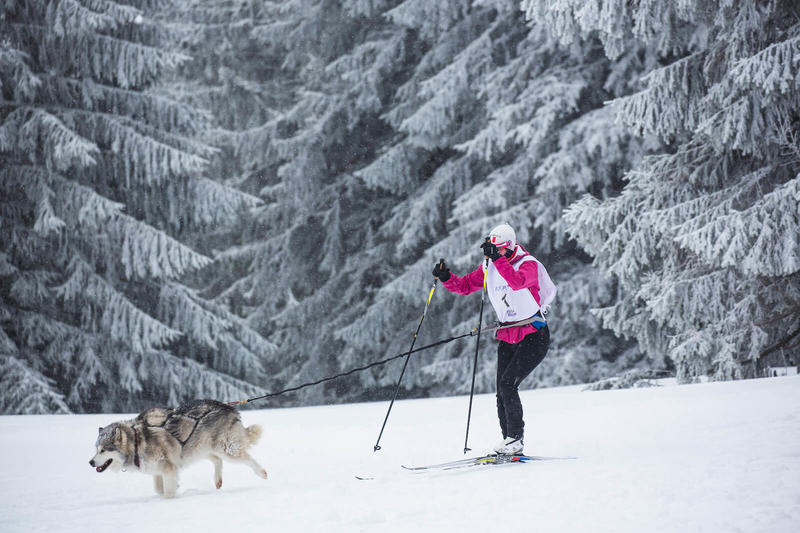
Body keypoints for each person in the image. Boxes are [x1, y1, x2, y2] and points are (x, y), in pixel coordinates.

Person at [432, 223, 555, 455]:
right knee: (501, 389)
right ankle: (509, 443)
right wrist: (447, 277)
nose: (494, 253)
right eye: (492, 249)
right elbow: (467, 285)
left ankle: (515, 439)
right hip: (508, 334)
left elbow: (517, 282)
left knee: (509, 384)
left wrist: (496, 260)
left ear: (509, 247)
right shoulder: (491, 265)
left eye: (498, 249)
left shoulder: (528, 264)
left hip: (533, 334)